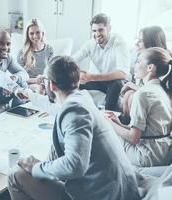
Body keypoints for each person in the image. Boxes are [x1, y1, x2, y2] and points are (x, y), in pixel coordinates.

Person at [8, 56, 140, 200]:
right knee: (55, 147)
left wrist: (36, 168)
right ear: (77, 81)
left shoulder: (74, 110)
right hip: (116, 187)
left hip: (105, 195)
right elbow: (56, 108)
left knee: (15, 175)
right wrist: (30, 95)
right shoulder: (82, 98)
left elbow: (75, 165)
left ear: (51, 85)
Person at [106, 47, 172, 167]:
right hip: (164, 154)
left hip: (147, 157)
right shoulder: (163, 91)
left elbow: (133, 139)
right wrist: (118, 123)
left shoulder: (142, 94)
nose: (134, 66)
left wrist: (109, 123)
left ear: (150, 67)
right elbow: (149, 130)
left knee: (105, 131)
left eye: (138, 61)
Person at [72, 13, 129, 111]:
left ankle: (109, 115)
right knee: (71, 80)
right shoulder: (90, 44)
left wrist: (92, 77)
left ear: (109, 28)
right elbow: (72, 60)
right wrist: (79, 73)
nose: (97, 34)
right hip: (96, 81)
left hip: (114, 81)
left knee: (117, 84)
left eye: (101, 30)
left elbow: (123, 73)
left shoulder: (119, 42)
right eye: (94, 31)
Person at [120, 26, 168, 123]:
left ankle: (132, 130)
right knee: (128, 94)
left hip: (161, 105)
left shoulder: (164, 64)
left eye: (140, 41)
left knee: (132, 96)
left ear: (151, 42)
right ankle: (126, 124)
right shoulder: (141, 59)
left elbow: (161, 95)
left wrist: (132, 86)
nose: (136, 43)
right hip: (146, 95)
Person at [17, 18, 54, 93]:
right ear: (28, 35)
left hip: (46, 81)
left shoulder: (49, 49)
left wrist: (45, 79)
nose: (35, 36)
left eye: (38, 32)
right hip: (30, 83)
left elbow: (53, 70)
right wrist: (36, 80)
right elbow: (19, 77)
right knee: (41, 88)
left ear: (42, 33)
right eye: (31, 33)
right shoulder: (22, 53)